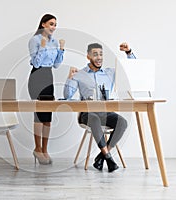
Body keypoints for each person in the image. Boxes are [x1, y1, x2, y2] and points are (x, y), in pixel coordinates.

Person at [63, 42, 136, 172]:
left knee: (122, 122)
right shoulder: (80, 74)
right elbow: (67, 95)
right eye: (95, 54)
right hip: (87, 114)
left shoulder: (110, 73)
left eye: (101, 54)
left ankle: (102, 156)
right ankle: (108, 157)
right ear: (88, 56)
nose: (99, 57)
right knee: (94, 119)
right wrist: (70, 77)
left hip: (105, 112)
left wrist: (129, 52)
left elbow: (133, 70)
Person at [28, 14, 65, 165]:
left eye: (55, 24)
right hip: (37, 77)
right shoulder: (34, 40)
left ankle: (45, 149)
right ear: (43, 24)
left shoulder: (55, 41)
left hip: (49, 77)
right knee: (39, 115)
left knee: (48, 117)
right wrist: (42, 47)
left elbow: (56, 65)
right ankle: (37, 148)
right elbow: (36, 64)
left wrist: (61, 50)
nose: (53, 27)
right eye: (51, 24)